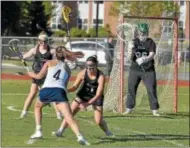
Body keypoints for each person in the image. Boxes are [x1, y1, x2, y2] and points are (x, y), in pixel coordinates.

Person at [27, 46, 90, 145]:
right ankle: (80, 136)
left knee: (37, 106)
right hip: (59, 91)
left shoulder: (49, 63)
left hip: (46, 90)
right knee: (69, 117)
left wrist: (30, 74)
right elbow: (64, 86)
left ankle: (38, 131)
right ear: (65, 55)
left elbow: (39, 76)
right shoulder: (68, 69)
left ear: (55, 54)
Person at [52, 55, 114, 137]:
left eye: (91, 66)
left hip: (96, 97)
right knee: (70, 112)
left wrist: (86, 104)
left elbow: (98, 94)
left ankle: (107, 132)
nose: (89, 68)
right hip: (83, 94)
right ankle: (60, 131)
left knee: (98, 121)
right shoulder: (82, 73)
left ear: (96, 65)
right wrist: (65, 90)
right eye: (87, 66)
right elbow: (74, 87)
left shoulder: (101, 76)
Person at [20, 32, 62, 120]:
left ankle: (58, 114)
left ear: (47, 41)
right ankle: (24, 113)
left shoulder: (52, 51)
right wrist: (21, 57)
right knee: (32, 94)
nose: (42, 43)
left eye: (44, 41)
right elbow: (25, 56)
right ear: (38, 41)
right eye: (40, 41)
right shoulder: (34, 50)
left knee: (52, 95)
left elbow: (59, 59)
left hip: (48, 76)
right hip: (36, 75)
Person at [124, 23, 160, 116]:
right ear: (138, 32)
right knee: (131, 88)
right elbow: (130, 57)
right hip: (135, 70)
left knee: (151, 89)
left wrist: (145, 59)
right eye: (141, 32)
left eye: (144, 32)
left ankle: (154, 109)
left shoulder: (150, 42)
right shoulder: (134, 42)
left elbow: (152, 55)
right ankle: (129, 108)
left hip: (148, 70)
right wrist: (130, 49)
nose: (143, 34)